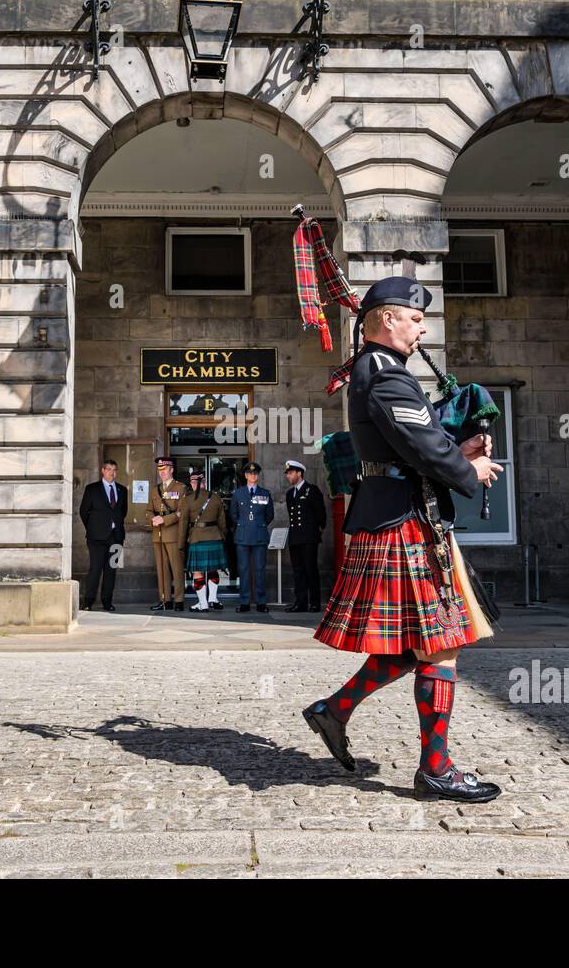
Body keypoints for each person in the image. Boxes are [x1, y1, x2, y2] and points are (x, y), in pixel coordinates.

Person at [300, 276, 506, 803]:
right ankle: (435, 769)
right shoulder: (386, 375)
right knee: (442, 643)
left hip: (399, 515)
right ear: (387, 318)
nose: (421, 330)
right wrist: (469, 467)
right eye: (415, 319)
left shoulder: (380, 371)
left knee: (424, 643)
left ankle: (335, 710)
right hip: (401, 523)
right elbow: (420, 447)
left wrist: (456, 438)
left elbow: (418, 436)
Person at [79, 459, 128, 611]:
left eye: (114, 470)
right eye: (108, 469)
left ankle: (107, 601)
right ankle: (88, 602)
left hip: (117, 537)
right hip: (96, 538)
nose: (111, 473)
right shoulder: (92, 489)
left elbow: (123, 512)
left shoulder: (122, 490)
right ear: (103, 470)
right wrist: (94, 528)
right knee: (95, 569)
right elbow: (83, 512)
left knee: (111, 569)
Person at [178, 468, 228, 612]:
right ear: (204, 482)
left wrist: (181, 544)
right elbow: (222, 522)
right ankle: (212, 598)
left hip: (197, 538)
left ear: (193, 483)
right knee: (213, 569)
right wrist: (222, 536)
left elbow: (183, 524)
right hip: (215, 537)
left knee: (197, 572)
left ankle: (203, 603)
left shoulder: (187, 500)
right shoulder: (216, 497)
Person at [229, 461, 273, 613]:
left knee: (260, 569)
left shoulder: (265, 493)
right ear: (246, 476)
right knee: (244, 569)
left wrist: (258, 525)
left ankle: (261, 602)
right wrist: (244, 525)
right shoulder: (238, 494)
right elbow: (233, 515)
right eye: (250, 473)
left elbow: (269, 515)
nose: (253, 475)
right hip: (242, 536)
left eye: (255, 473)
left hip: (259, 536)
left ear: (258, 476)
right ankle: (245, 602)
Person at [283, 459, 327, 613]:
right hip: (295, 537)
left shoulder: (312, 490)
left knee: (311, 570)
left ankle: (314, 603)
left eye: (290, 473)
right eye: (287, 473)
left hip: (309, 537)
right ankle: (300, 602)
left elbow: (321, 515)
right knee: (298, 571)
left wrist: (316, 531)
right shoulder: (290, 494)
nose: (288, 476)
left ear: (299, 473)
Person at [148, 456, 189, 611]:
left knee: (177, 568)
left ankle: (178, 600)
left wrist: (163, 520)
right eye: (160, 470)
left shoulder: (180, 488)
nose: (162, 473)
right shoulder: (155, 490)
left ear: (171, 470)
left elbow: (181, 512)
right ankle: (165, 600)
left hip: (173, 535)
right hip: (157, 535)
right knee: (162, 569)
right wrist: (152, 518)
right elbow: (148, 510)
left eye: (164, 470)